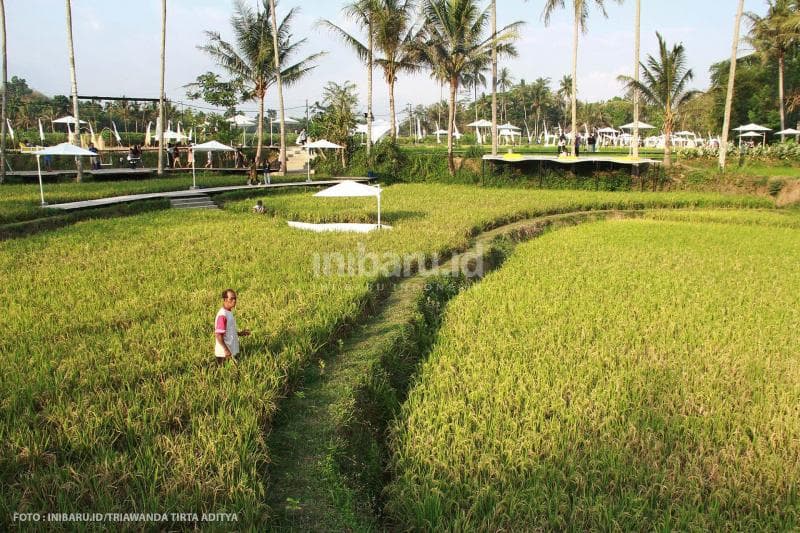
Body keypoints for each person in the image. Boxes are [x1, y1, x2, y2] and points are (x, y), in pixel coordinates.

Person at [214, 289, 251, 365]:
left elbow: (228, 331)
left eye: (235, 298)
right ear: (225, 299)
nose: (234, 301)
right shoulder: (222, 315)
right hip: (224, 354)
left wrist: (240, 333)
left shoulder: (228, 312)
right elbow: (218, 335)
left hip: (230, 351)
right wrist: (226, 350)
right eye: (231, 299)